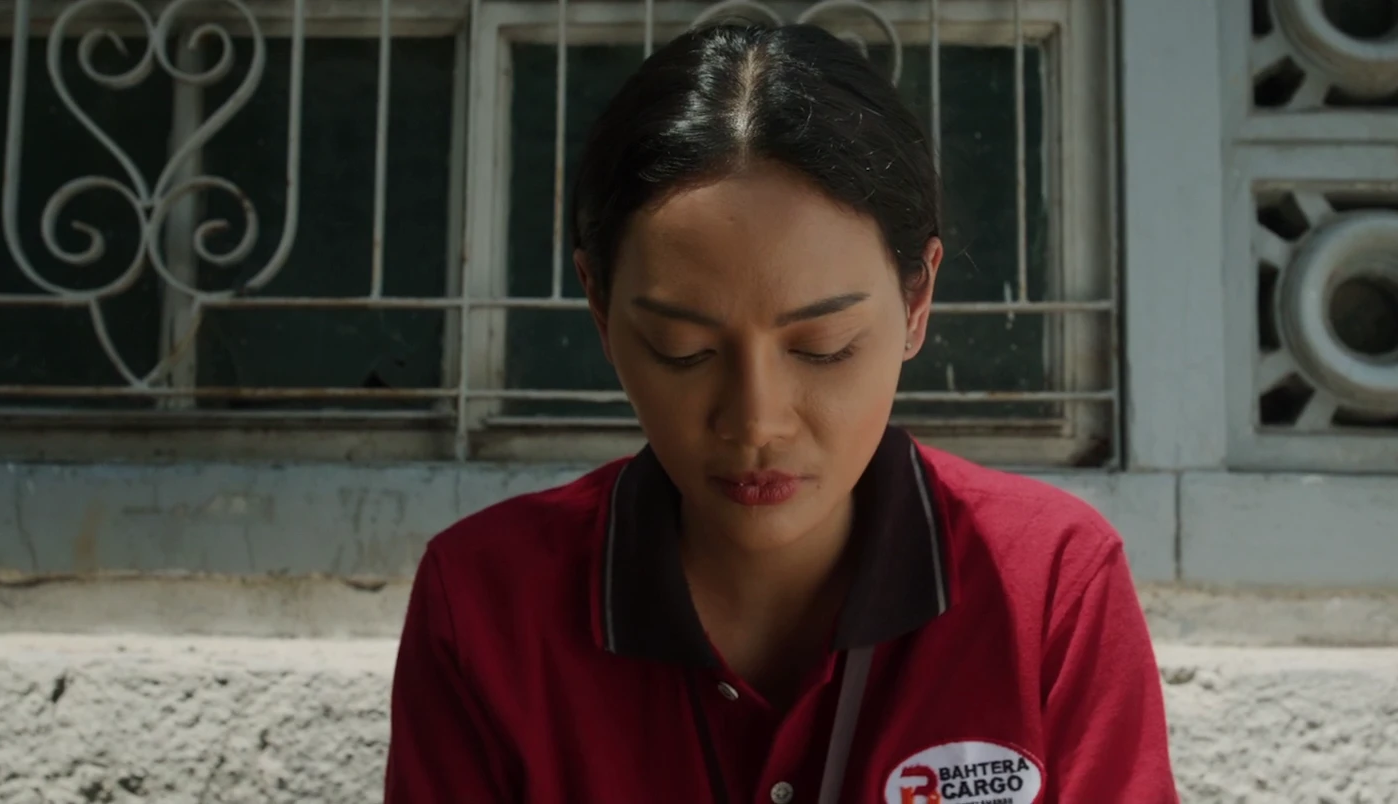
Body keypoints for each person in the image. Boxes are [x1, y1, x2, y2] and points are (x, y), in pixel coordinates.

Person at [384, 21, 1176, 804]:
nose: (756, 421)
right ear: (599, 305)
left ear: (917, 299)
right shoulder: (485, 608)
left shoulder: (1049, 587)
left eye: (823, 347)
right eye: (684, 349)